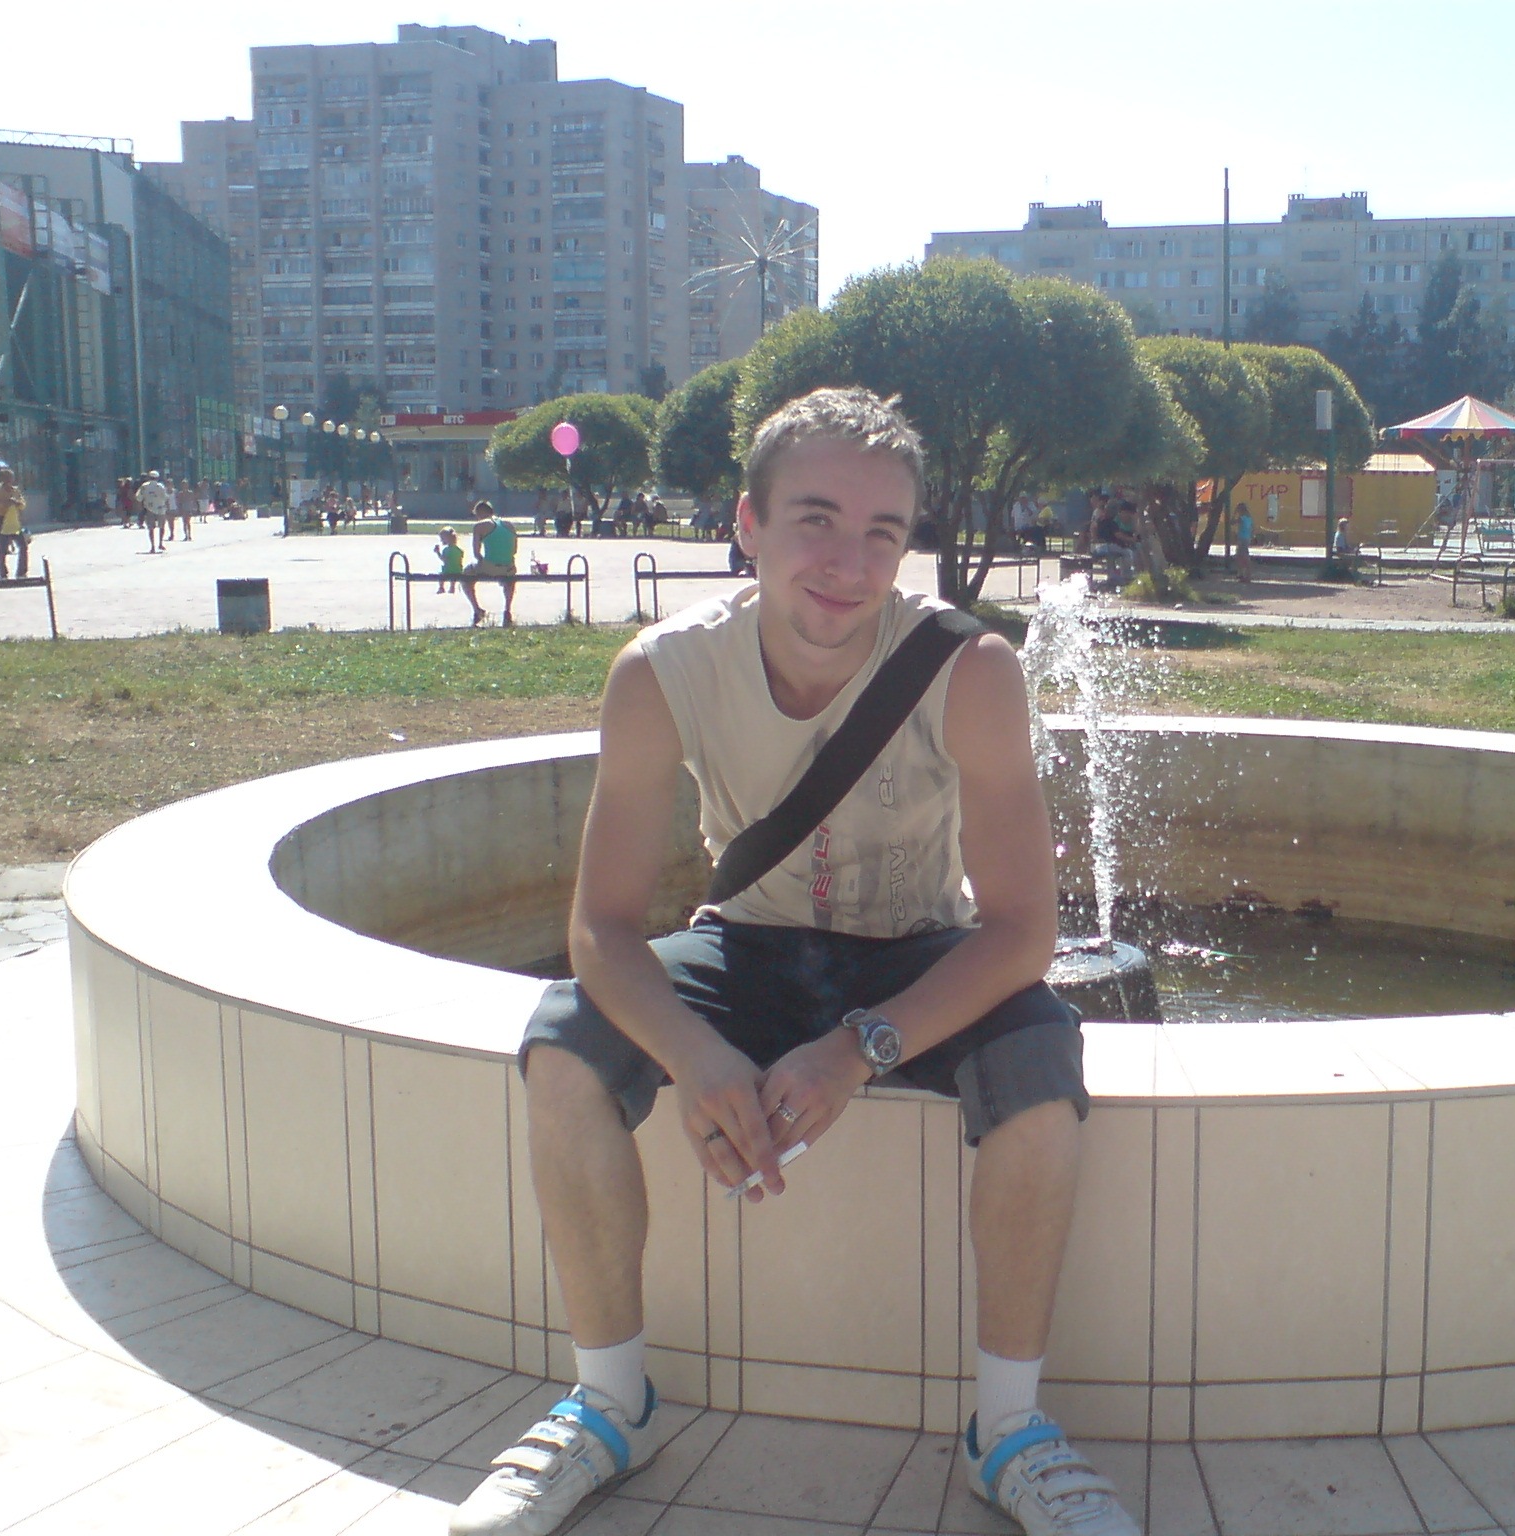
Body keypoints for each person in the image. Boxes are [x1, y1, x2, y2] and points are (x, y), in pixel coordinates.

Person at [450, 387, 1136, 1536]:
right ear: (747, 524)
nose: (847, 565)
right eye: (814, 520)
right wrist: (695, 1055)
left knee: (1037, 1057)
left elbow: (1022, 932)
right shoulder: (661, 673)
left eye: (881, 532)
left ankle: (1009, 1431)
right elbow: (601, 930)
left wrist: (857, 1050)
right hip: (744, 941)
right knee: (565, 1042)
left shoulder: (969, 669)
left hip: (917, 951)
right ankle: (609, 1404)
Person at [462, 498, 520, 626]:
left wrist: (484, 563)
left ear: (479, 513)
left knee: (466, 575)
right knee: (509, 580)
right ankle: (507, 610)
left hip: (490, 566)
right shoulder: (509, 525)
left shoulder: (480, 526)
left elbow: (476, 554)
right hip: (509, 567)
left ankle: (477, 609)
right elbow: (514, 550)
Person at [0, 468, 29, 581]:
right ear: (2, 478)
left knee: (23, 546)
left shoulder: (15, 490)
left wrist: (17, 503)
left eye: (11, 478)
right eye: (7, 478)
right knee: (2, 549)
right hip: (0, 520)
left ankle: (21, 573)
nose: (9, 480)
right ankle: (3, 574)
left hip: (13, 521)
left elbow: (23, 504)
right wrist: (3, 503)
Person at [137, 472, 172, 553]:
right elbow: (165, 497)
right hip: (161, 508)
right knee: (161, 527)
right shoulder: (160, 486)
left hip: (149, 509)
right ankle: (160, 543)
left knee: (151, 528)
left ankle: (152, 546)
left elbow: (139, 498)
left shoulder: (144, 486)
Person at [435, 526, 465, 593]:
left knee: (441, 575)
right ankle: (452, 587)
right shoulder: (459, 550)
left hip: (448, 570)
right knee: (453, 574)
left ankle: (441, 587)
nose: (441, 540)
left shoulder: (446, 550)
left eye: (442, 539)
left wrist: (438, 552)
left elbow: (444, 560)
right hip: (458, 570)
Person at [1234, 500, 1255, 584]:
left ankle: (1245, 574)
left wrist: (1234, 513)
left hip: (1242, 538)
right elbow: (1252, 528)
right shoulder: (1249, 518)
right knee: (1241, 556)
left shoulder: (1241, 518)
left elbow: (1232, 522)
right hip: (1247, 538)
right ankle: (1242, 574)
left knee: (1243, 556)